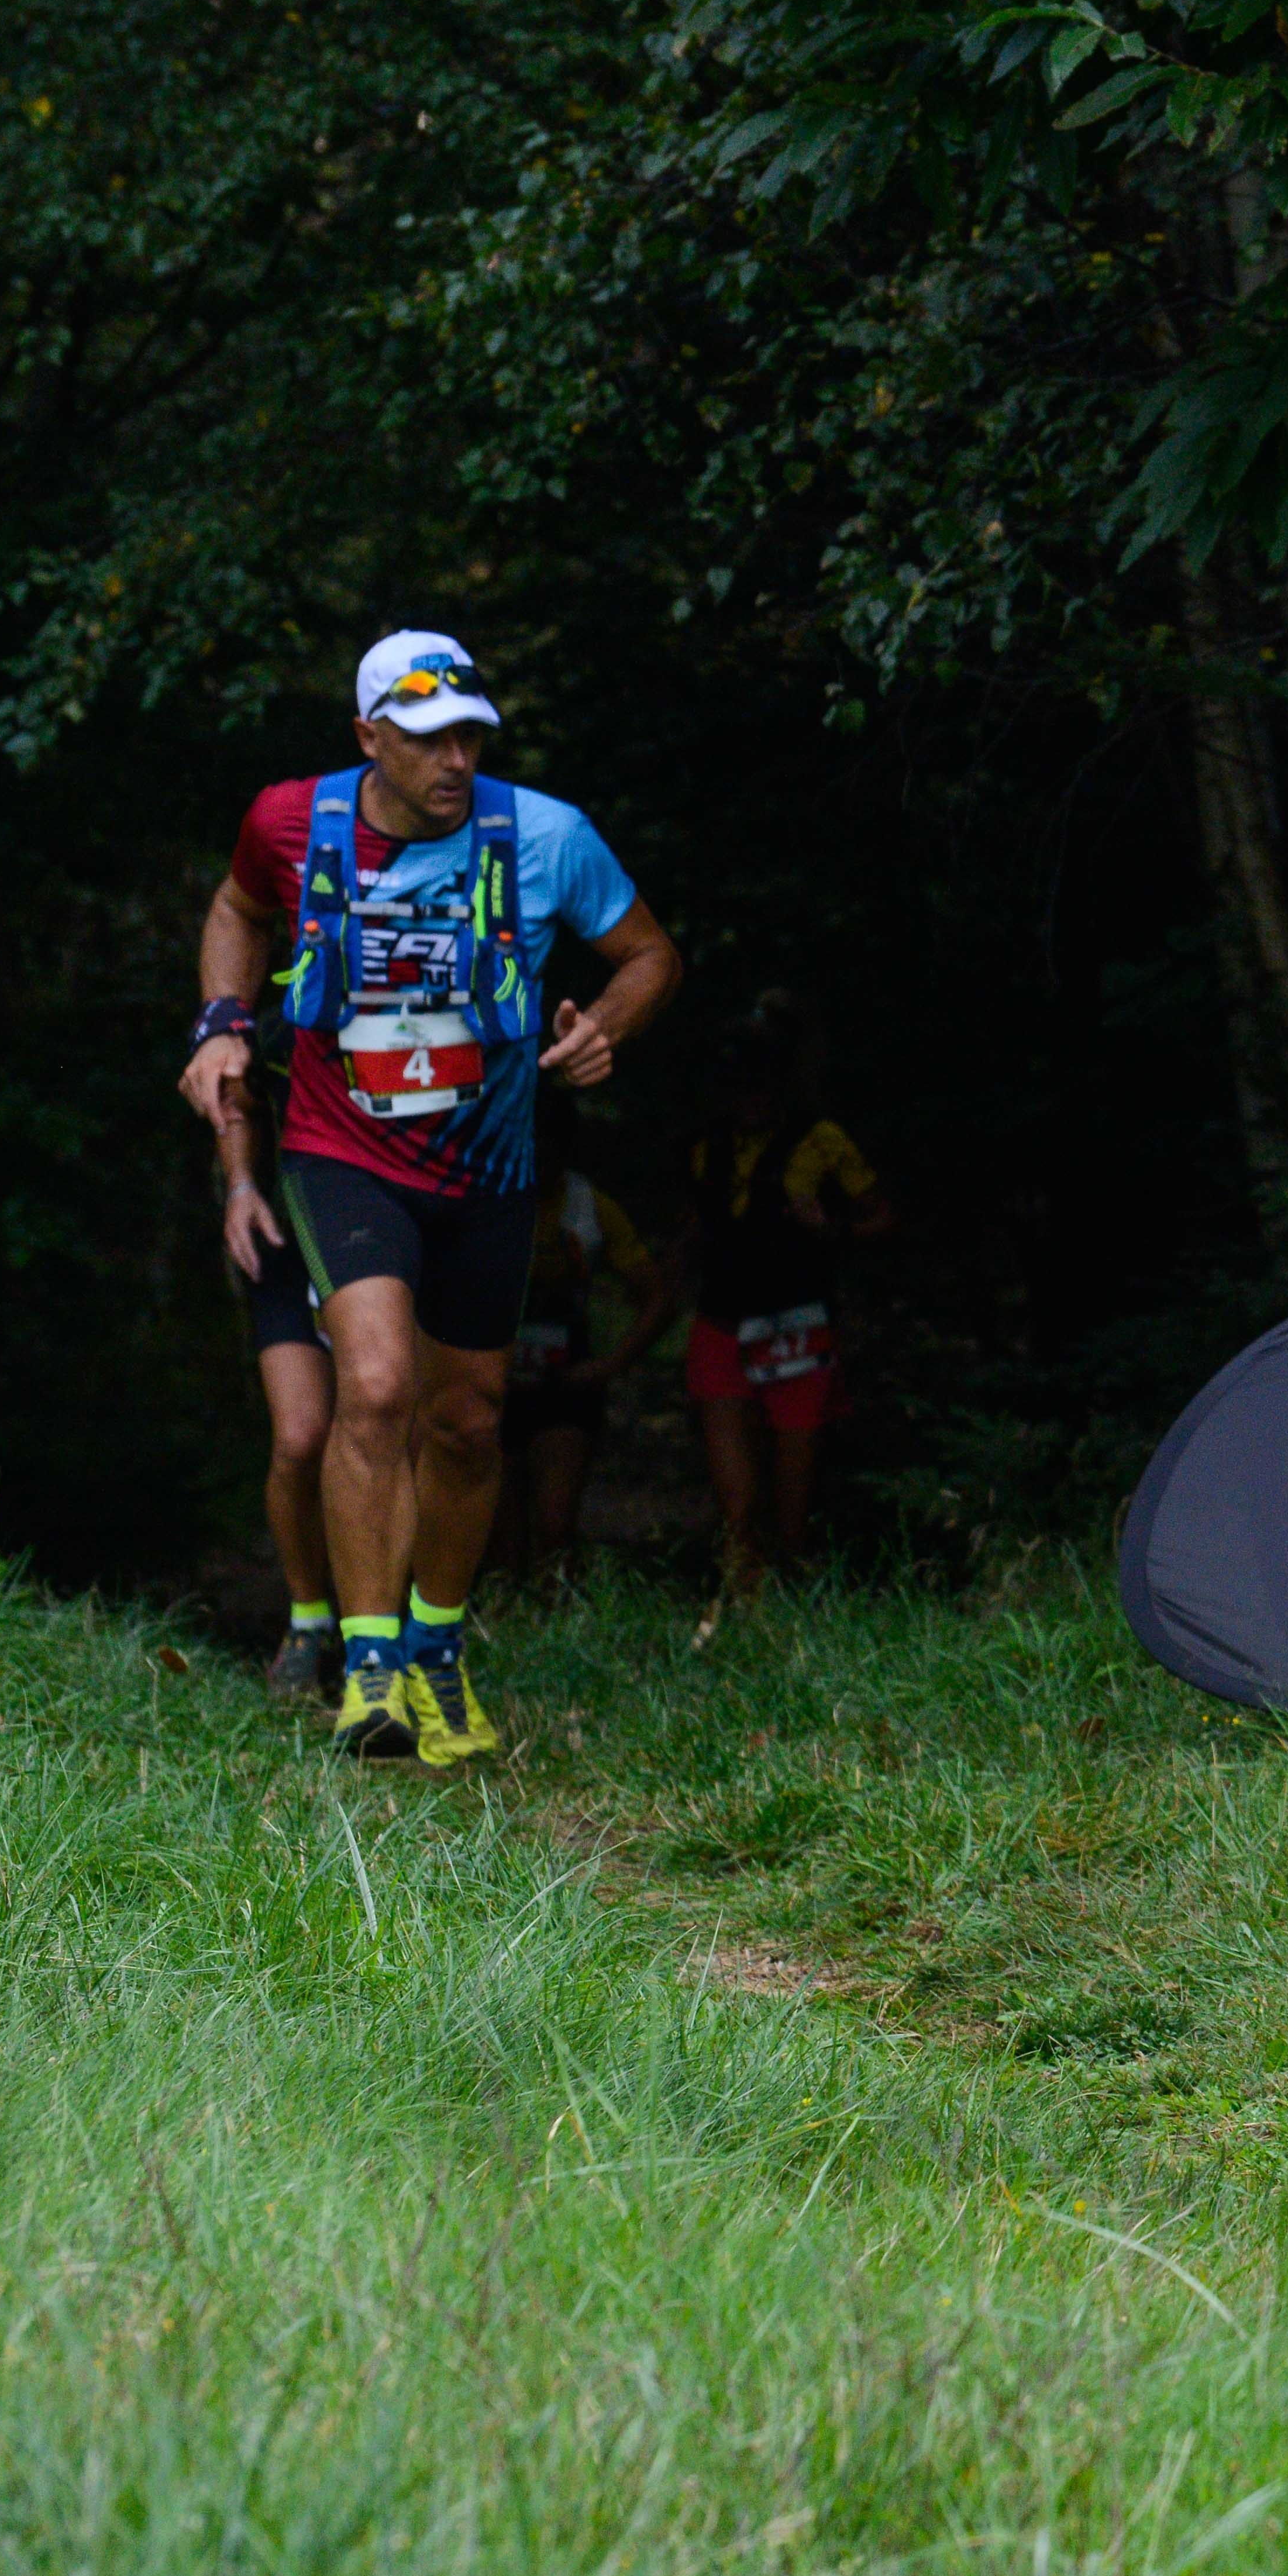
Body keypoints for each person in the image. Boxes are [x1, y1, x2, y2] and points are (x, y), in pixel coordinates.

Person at [177, 630, 681, 1766]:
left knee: (466, 1421)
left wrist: (607, 1026)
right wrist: (221, 1024)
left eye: (470, 736)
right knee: (375, 1384)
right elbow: (238, 910)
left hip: (489, 1171)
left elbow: (651, 955)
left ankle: (436, 1651)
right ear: (369, 737)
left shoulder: (547, 835)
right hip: (339, 1150)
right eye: (427, 738)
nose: (455, 759)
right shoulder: (290, 821)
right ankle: (369, 1671)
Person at [681, 1007, 894, 1583]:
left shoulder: (821, 1140)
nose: (750, 1097)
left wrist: (832, 1229)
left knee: (793, 1501)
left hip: (797, 1328)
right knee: (739, 1500)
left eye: (760, 1083)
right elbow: (695, 1232)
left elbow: (882, 1218)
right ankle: (744, 1598)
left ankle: (795, 1589)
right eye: (738, 1085)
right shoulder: (707, 1147)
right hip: (722, 1324)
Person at [492, 1103, 677, 1579]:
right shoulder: (486, 1197)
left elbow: (658, 1297)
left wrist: (609, 1366)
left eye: (546, 1147)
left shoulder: (589, 1206)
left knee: (555, 1525)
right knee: (501, 1533)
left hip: (565, 1381)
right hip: (496, 1381)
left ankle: (560, 1611)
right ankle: (507, 1615)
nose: (537, 1158)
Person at [217, 1070, 346, 1702]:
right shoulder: (270, 1025)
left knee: (391, 1427)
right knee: (300, 1439)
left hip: (384, 1225)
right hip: (288, 1234)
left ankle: (391, 1626)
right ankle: (308, 1619)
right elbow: (232, 1092)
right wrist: (241, 1184)